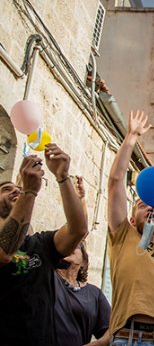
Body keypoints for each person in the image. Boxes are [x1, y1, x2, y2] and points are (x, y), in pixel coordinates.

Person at [106, 110, 154, 345]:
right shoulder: (123, 236)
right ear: (132, 220)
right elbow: (114, 184)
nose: (150, 206)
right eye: (142, 205)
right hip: (129, 338)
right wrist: (131, 136)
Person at [0, 145, 89, 345]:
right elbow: (5, 252)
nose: (15, 191)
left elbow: (78, 230)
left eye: (18, 189)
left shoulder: (40, 243)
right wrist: (29, 191)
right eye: (6, 190)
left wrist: (62, 177)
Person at [54, 241, 111, 346]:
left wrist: (99, 343)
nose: (70, 247)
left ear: (84, 262)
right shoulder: (46, 279)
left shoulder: (94, 294)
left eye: (78, 246)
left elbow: (112, 330)